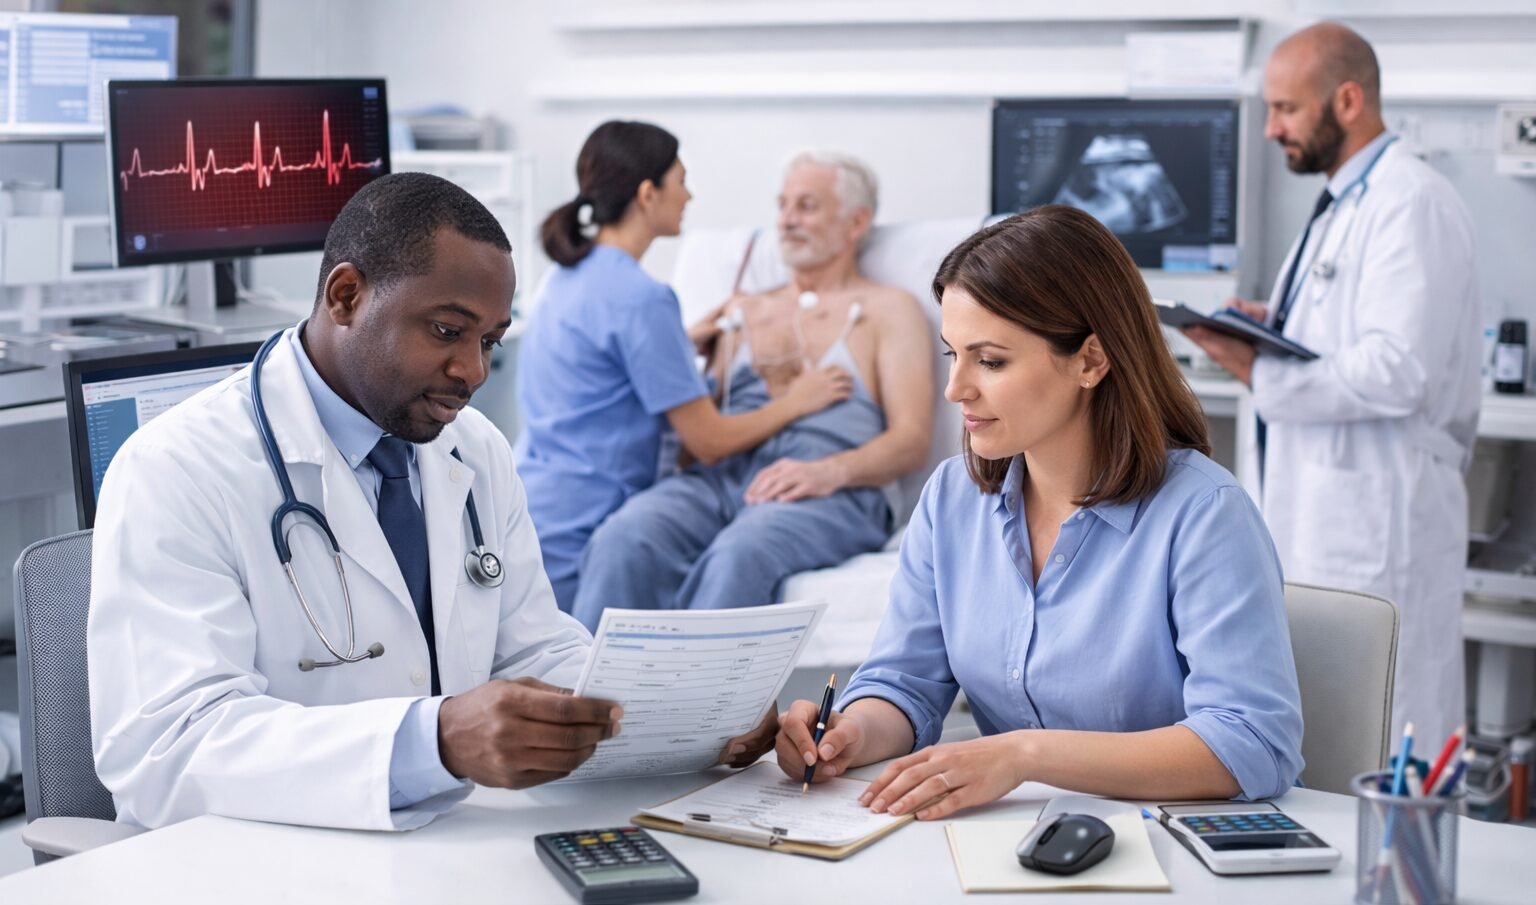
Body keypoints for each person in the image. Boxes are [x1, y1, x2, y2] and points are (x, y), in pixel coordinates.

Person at [88, 173, 770, 832]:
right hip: (265, 862)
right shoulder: (177, 469)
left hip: (441, 848)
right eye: (447, 330)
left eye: (490, 341)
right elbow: (168, 751)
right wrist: (430, 743)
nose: (473, 371)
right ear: (347, 295)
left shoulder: (471, 448)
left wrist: (696, 718)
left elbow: (530, 647)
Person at [775, 206, 1304, 820]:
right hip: (1006, 847)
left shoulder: (1205, 516)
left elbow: (1253, 743)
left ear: (1090, 361)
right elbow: (905, 684)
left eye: (991, 360)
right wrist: (850, 734)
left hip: (1163, 848)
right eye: (953, 354)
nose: (957, 389)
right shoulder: (952, 500)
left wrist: (1023, 755)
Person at [1184, 22, 1479, 747]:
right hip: (1323, 510)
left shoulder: (1410, 201)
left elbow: (1398, 370)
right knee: (1328, 727)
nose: (1270, 129)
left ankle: (1404, 861)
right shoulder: (1343, 201)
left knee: (1391, 726)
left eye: (1285, 109)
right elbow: (1350, 337)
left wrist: (1259, 367)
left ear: (1347, 101)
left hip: (1381, 518)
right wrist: (1272, 324)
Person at [571, 151, 934, 630]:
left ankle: (694, 704)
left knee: (740, 552)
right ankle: (589, 701)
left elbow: (911, 439)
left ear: (856, 222)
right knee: (625, 536)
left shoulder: (889, 310)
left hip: (829, 491)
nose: (786, 220)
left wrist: (829, 472)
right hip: (721, 479)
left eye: (807, 206)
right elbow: (704, 429)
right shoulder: (742, 310)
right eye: (782, 205)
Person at [515, 121, 852, 613]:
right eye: (681, 181)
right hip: (588, 525)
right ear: (648, 194)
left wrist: (678, 342)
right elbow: (709, 443)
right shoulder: (642, 298)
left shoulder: (564, 278)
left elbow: (602, 362)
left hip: (538, 509)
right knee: (577, 683)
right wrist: (798, 401)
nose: (689, 195)